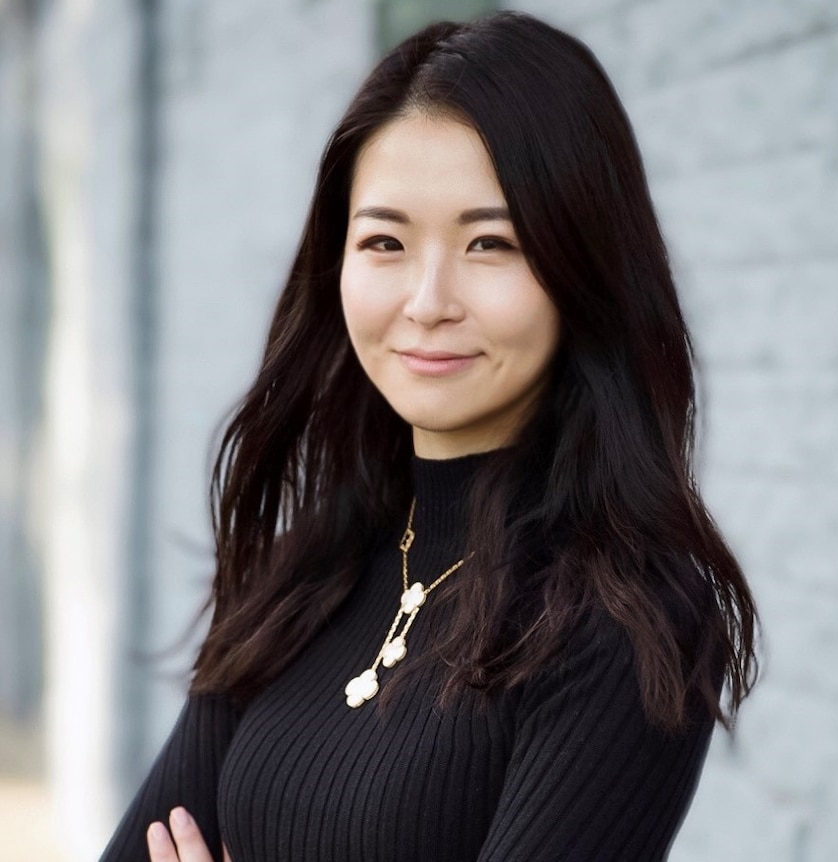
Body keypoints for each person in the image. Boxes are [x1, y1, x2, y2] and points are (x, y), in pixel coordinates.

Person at [101, 11, 758, 862]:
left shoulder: (626, 621)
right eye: (384, 241)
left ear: (582, 264)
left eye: (491, 242)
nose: (427, 301)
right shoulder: (308, 570)